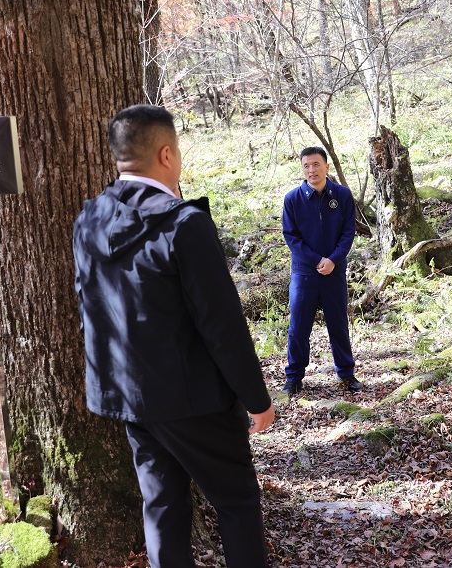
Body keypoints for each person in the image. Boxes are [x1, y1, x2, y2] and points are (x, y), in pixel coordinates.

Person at [73, 104, 275, 568]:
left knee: (162, 506)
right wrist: (256, 398)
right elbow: (222, 324)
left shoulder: (90, 220)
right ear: (166, 154)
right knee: (237, 501)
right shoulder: (184, 224)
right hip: (195, 398)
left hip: (130, 396)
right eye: (178, 150)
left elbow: (89, 307)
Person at [281, 146, 361, 394]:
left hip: (334, 271)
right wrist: (317, 260)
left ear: (326, 166)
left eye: (316, 164)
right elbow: (291, 237)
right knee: (298, 327)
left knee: (338, 324)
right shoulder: (293, 199)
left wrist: (334, 260)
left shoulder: (342, 195)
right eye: (306, 166)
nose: (311, 170)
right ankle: (294, 378)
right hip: (304, 273)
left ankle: (346, 374)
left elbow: (348, 232)